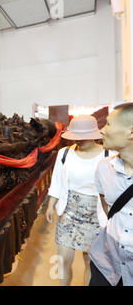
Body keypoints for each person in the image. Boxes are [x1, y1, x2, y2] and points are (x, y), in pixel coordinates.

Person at [46, 115, 110, 285]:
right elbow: (57, 181)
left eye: (83, 137)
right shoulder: (65, 153)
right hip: (69, 212)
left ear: (94, 135)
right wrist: (51, 205)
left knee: (90, 261)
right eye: (76, 137)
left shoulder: (108, 155)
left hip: (96, 216)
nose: (79, 141)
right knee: (63, 259)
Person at [89, 102, 133, 286]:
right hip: (107, 263)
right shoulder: (104, 168)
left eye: (108, 124)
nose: (102, 130)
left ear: (131, 132)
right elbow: (108, 208)